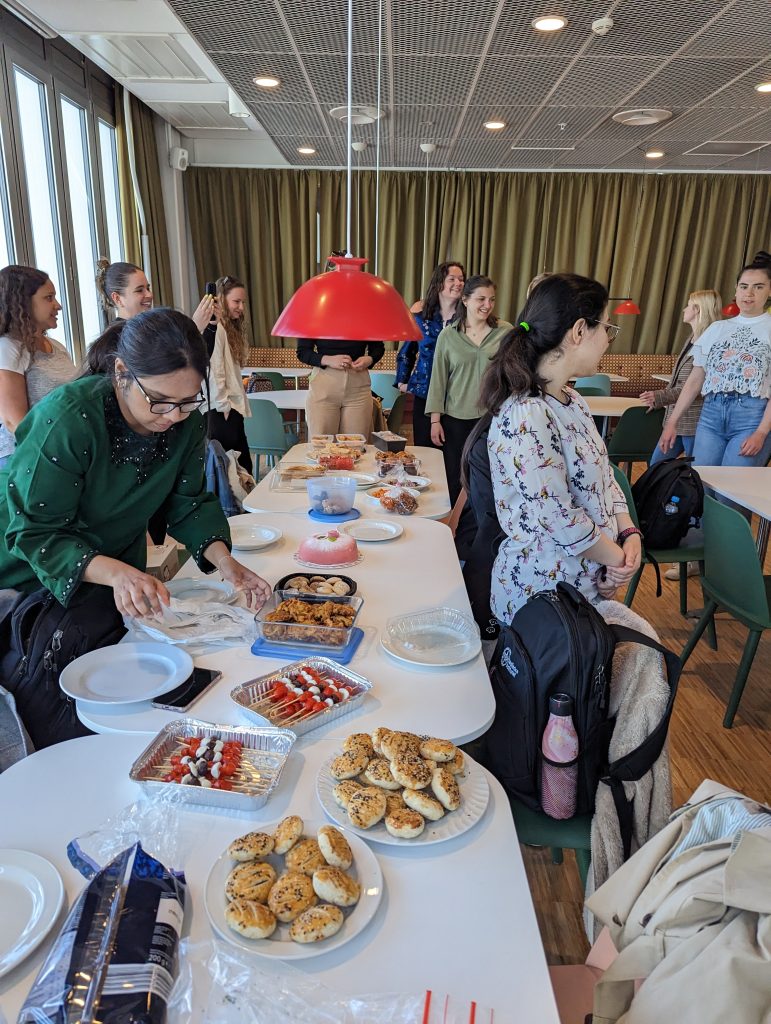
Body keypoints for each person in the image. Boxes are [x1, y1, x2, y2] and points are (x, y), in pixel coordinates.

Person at [0, 308, 270, 739]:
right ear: (122, 372)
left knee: (121, 670)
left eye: (187, 402)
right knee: (45, 681)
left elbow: (187, 501)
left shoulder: (183, 419)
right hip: (29, 565)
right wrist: (118, 573)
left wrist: (227, 564)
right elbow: (37, 531)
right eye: (161, 401)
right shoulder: (69, 418)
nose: (173, 417)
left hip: (112, 562)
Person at [482, 273, 642, 624]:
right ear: (579, 330)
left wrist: (629, 533)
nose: (608, 340)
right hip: (543, 598)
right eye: (607, 329)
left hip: (582, 587)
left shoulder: (574, 401)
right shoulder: (528, 412)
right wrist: (617, 560)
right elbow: (556, 515)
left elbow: (605, 477)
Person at [659, 254, 771, 468]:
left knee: (732, 490)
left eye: (758, 287)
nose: (749, 293)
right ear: (736, 290)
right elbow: (694, 381)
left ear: (769, 291)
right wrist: (672, 422)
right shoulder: (718, 329)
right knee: (702, 483)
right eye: (744, 286)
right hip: (711, 414)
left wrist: (761, 432)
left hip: (751, 417)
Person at [425, 275, 511, 505]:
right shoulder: (448, 335)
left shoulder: (505, 332)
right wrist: (435, 420)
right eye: (481, 299)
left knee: (488, 475)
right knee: (455, 475)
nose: (487, 305)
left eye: (492, 300)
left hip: (493, 417)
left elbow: (514, 372)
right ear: (465, 300)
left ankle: (483, 526)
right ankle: (455, 527)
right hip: (455, 417)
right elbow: (439, 379)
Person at [297, 254, 385, 438]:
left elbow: (378, 348)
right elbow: (302, 352)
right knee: (321, 445)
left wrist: (369, 359)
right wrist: (328, 360)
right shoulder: (315, 310)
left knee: (357, 446)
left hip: (358, 385)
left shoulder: (364, 310)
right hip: (324, 383)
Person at [0, 266, 77, 469]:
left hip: (62, 453)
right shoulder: (8, 349)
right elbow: (14, 422)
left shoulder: (56, 346)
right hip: (29, 461)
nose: (58, 306)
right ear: (24, 303)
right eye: (48, 298)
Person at [641, 289, 722, 465]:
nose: (684, 309)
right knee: (655, 466)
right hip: (676, 421)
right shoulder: (692, 338)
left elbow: (695, 386)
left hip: (694, 422)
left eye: (688, 305)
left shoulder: (711, 342)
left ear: (698, 309)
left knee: (696, 473)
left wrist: (660, 396)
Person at [395, 261, 465, 447]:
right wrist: (402, 381)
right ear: (439, 283)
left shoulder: (467, 319)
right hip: (424, 393)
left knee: (452, 451)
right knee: (425, 449)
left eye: (461, 279)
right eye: (452, 279)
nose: (458, 283)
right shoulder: (421, 316)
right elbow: (407, 351)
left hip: (455, 396)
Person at [203, 275, 252, 474]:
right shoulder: (217, 329)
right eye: (236, 301)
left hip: (229, 406)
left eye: (243, 302)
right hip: (223, 408)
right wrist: (223, 405)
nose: (241, 307)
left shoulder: (226, 328)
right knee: (234, 469)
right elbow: (215, 370)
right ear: (222, 300)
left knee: (239, 466)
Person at [95, 258, 215, 333]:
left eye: (148, 288)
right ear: (118, 298)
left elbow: (197, 360)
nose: (149, 294)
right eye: (139, 290)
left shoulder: (149, 326)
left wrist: (211, 326)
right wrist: (194, 327)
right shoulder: (116, 337)